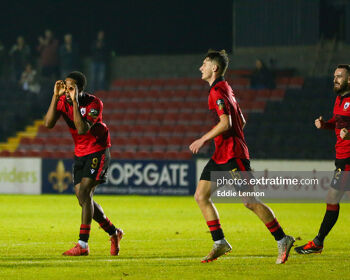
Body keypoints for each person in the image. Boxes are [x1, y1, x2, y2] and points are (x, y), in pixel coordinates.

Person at [189, 50, 294, 264]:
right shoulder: (226, 88)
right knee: (201, 196)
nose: (201, 68)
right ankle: (220, 243)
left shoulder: (217, 91)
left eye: (204, 64)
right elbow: (242, 120)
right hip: (221, 155)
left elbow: (226, 123)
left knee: (249, 201)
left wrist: (203, 139)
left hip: (233, 155)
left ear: (214, 68)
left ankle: (283, 238)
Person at [43, 71, 123, 256]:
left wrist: (75, 102)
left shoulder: (94, 103)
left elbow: (81, 129)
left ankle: (83, 244)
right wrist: (55, 96)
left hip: (98, 150)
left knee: (85, 192)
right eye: (66, 86)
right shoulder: (62, 102)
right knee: (83, 198)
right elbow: (48, 123)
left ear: (80, 89)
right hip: (80, 153)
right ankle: (114, 232)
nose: (68, 90)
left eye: (72, 87)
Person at [295, 64, 350, 254]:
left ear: (349, 80)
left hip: (349, 158)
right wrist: (325, 125)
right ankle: (318, 242)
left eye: (339, 76)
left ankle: (318, 242)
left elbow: (346, 130)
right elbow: (339, 123)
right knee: (332, 199)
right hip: (341, 158)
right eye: (334, 76)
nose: (335, 79)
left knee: (332, 198)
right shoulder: (339, 99)